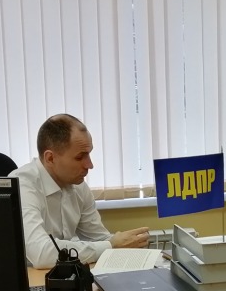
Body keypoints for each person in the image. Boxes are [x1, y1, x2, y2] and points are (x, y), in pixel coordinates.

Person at [10, 114, 150, 268]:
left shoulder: (78, 185)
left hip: (62, 274)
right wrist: (110, 245)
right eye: (79, 157)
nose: (90, 165)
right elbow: (41, 253)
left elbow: (98, 239)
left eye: (89, 154)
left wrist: (127, 244)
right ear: (50, 158)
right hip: (26, 277)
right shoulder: (22, 186)